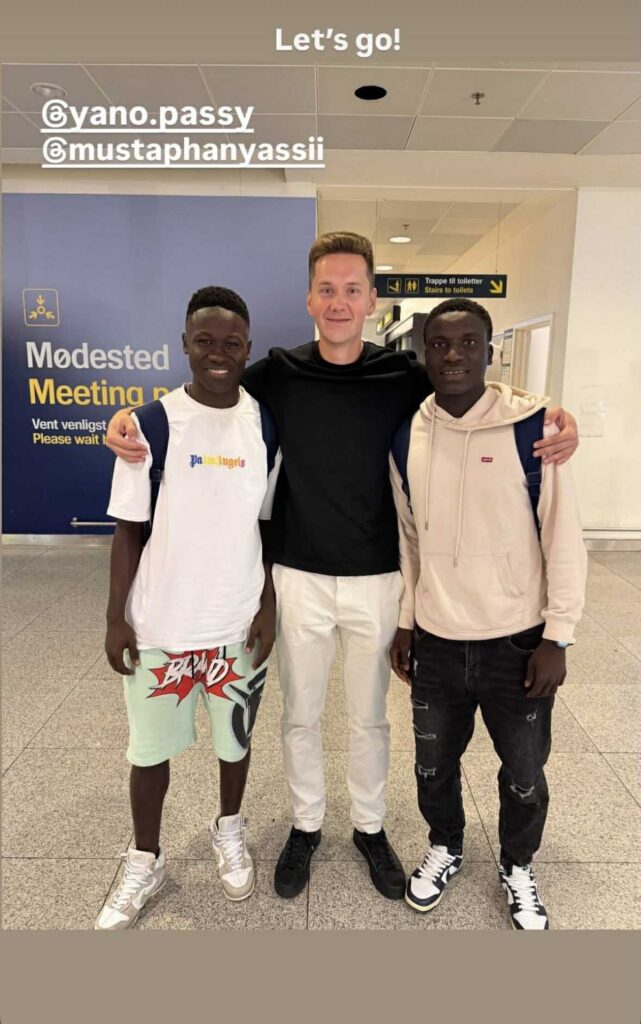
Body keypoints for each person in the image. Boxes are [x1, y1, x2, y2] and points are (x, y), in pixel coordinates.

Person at [104, 233, 580, 903]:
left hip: (378, 578)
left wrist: (553, 414)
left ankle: (369, 827)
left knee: (368, 718)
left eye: (352, 290)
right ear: (309, 299)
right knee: (300, 714)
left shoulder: (403, 375)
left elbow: (471, 385)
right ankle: (306, 827)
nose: (339, 302)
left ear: (371, 299)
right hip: (297, 575)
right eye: (326, 289)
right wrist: (125, 417)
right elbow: (207, 391)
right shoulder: (276, 374)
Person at [390, 298, 587, 930]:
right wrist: (405, 620)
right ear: (424, 352)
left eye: (468, 343)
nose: (454, 356)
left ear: (490, 350)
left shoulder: (533, 429)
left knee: (524, 771)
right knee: (432, 766)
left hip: (517, 642)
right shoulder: (407, 435)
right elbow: (409, 539)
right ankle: (445, 845)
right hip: (438, 640)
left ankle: (518, 864)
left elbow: (562, 534)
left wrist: (557, 635)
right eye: (440, 344)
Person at [95, 286, 277, 930]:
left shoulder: (264, 424)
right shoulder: (150, 424)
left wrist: (268, 605)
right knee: (148, 753)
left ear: (248, 349)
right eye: (204, 341)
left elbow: (268, 524)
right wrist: (116, 617)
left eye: (231, 343)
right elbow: (128, 530)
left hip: (236, 623)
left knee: (235, 741)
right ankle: (145, 858)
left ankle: (230, 828)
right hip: (160, 626)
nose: (217, 353)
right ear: (184, 344)